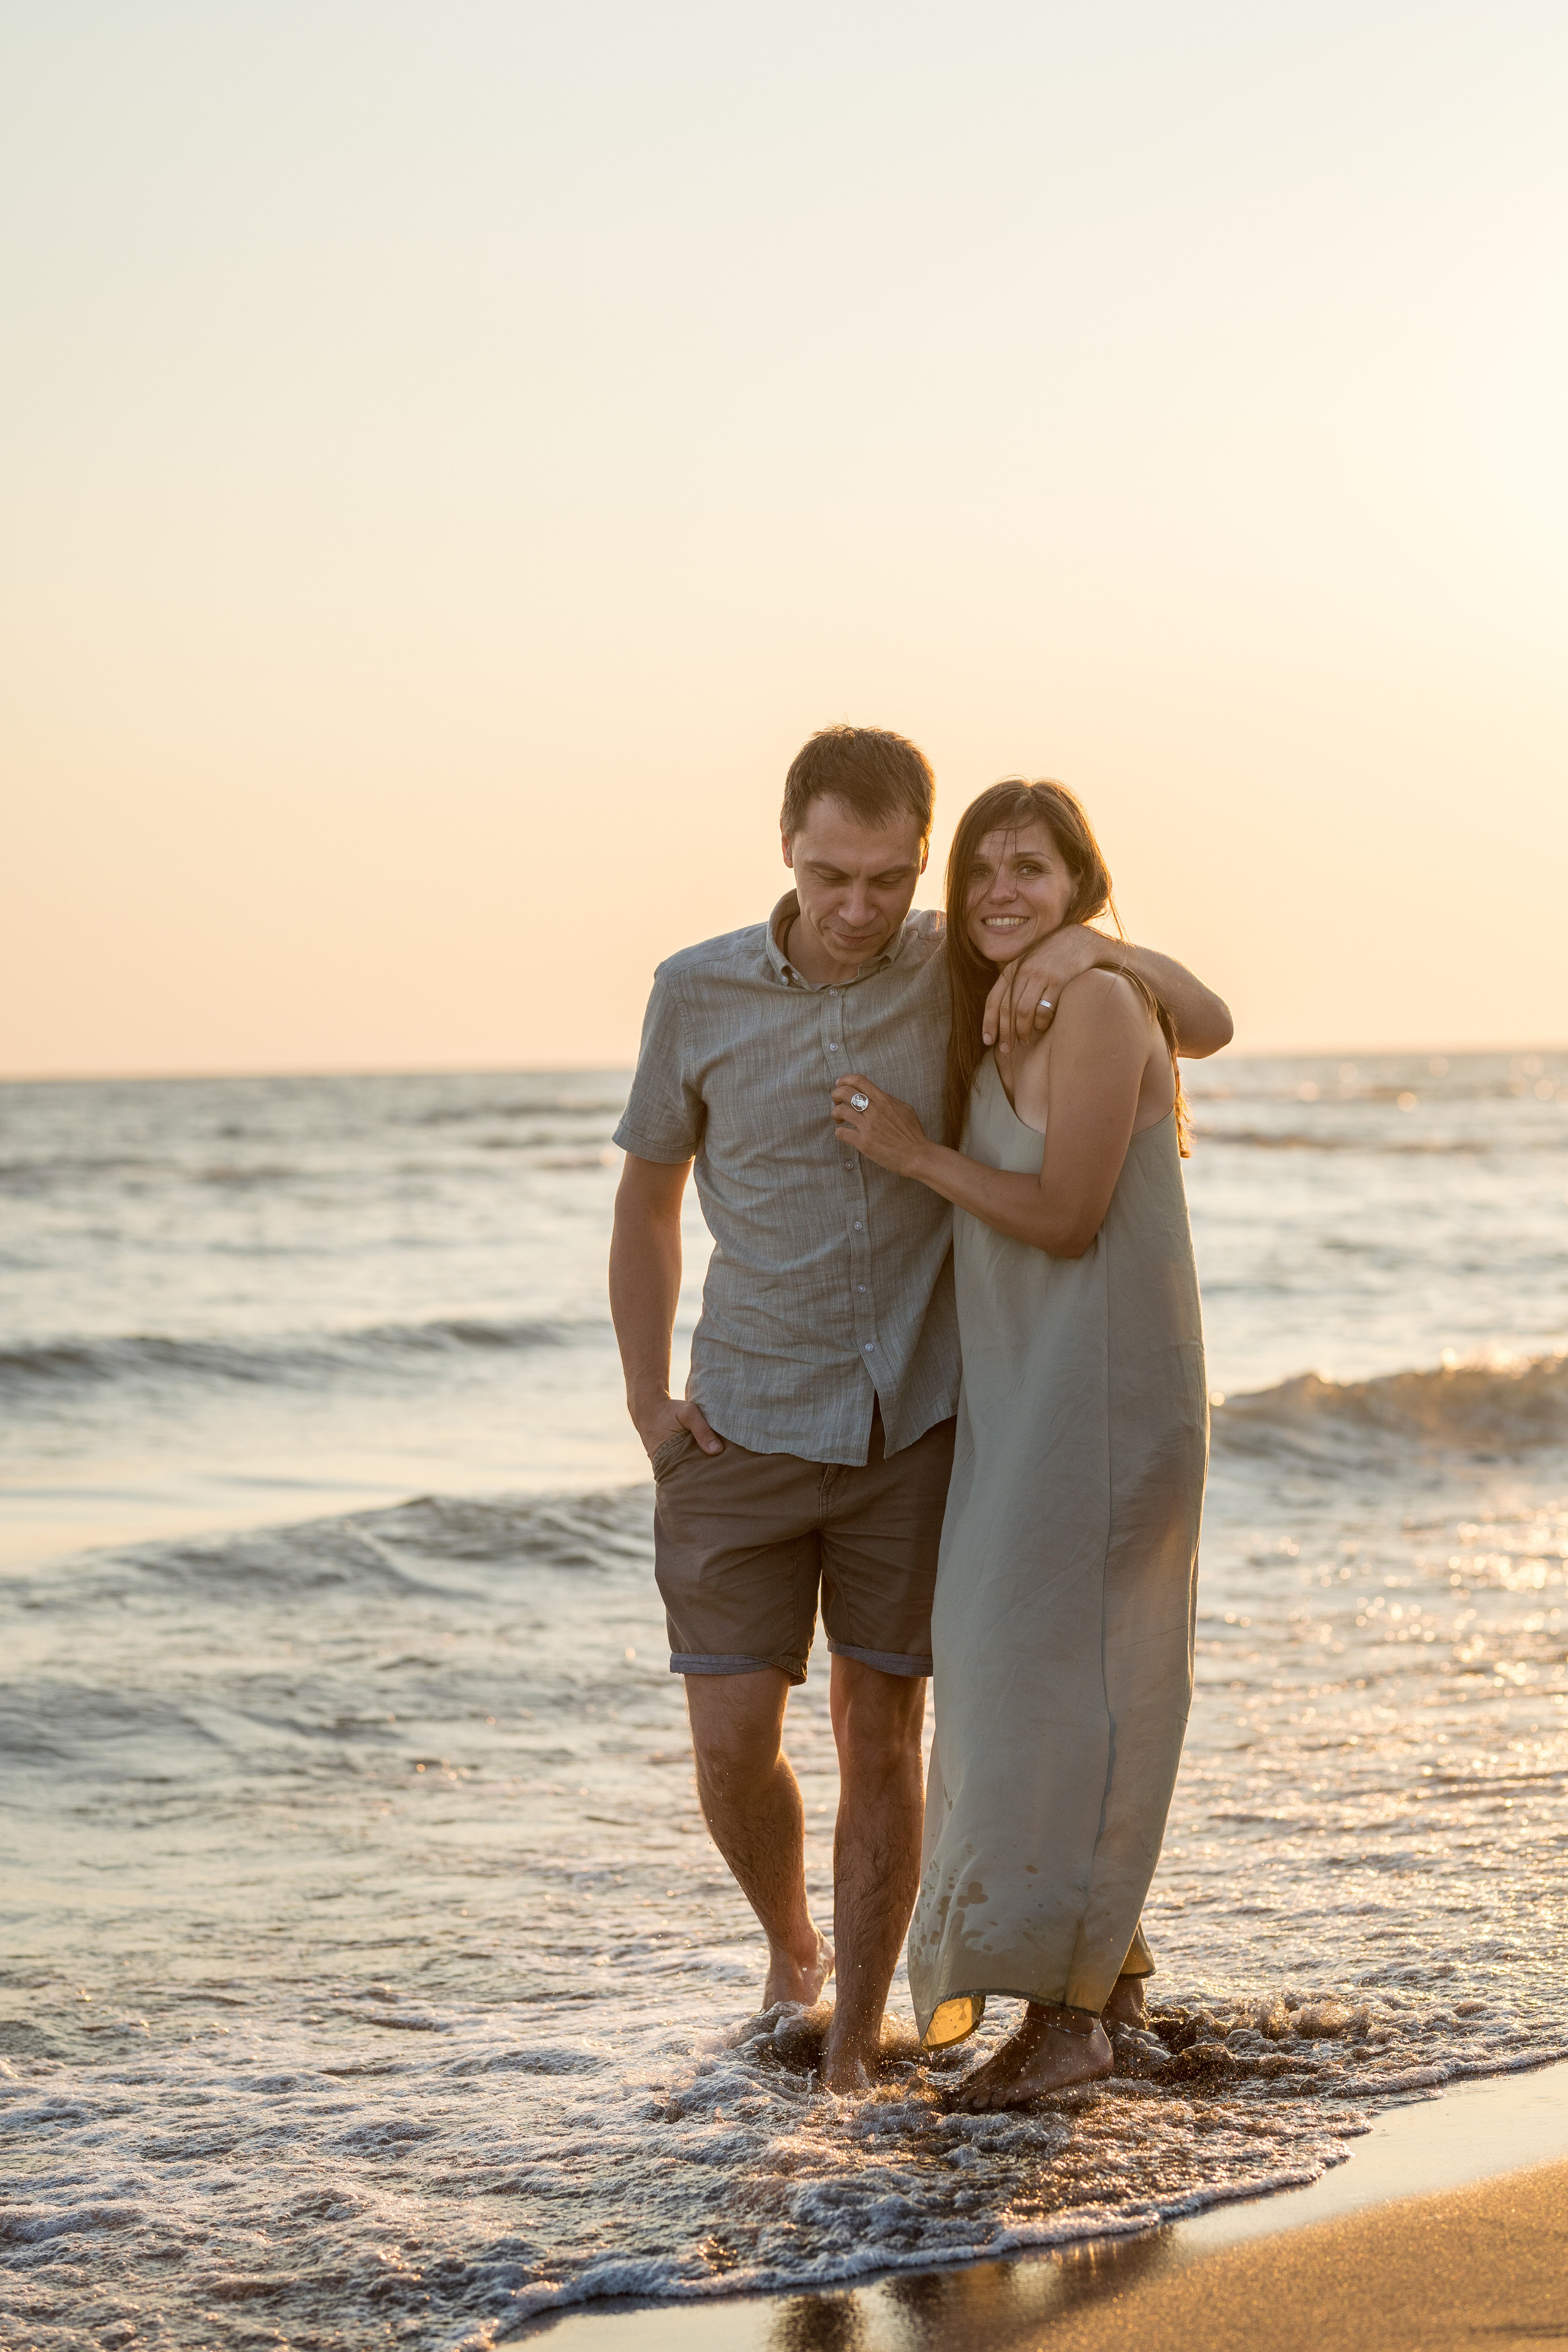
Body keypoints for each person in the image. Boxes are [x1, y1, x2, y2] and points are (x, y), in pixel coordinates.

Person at [609, 729, 1229, 2093]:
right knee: (732, 1746)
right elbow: (646, 1199)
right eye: (832, 875)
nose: (859, 907)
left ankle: (856, 2054)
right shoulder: (695, 991)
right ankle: (796, 1950)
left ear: (916, 864)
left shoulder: (964, 963)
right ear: (787, 845)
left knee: (892, 1740)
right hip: (745, 1415)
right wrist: (647, 1398)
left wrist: (1091, 945)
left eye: (888, 879)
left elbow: (1200, 1018)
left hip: (917, 1426)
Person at [831, 777, 1210, 2108]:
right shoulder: (1007, 1001)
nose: (1002, 890)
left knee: (1054, 1697)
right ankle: (1110, 1983)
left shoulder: (1094, 999)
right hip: (1026, 1399)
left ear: (1077, 884)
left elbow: (1065, 1215)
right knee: (1026, 1691)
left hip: (1100, 1406)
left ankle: (1069, 2020)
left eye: (1033, 870)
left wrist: (914, 1155)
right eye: (983, 869)